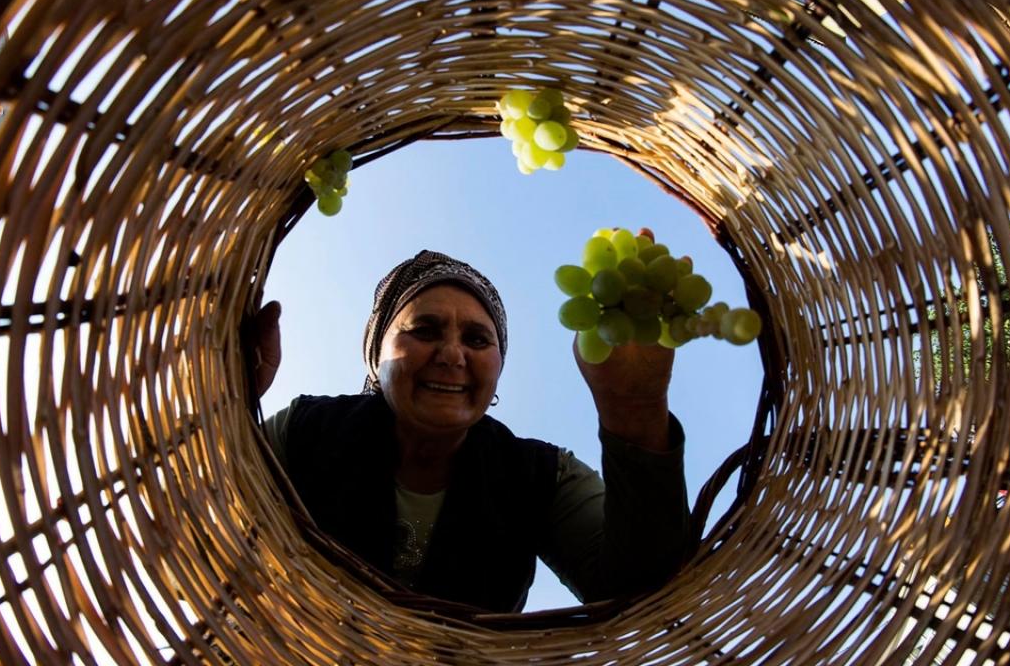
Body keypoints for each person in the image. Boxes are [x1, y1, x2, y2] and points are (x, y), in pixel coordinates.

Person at [245, 247, 689, 613]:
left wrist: (634, 408)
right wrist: (231, 400)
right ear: (377, 356)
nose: (452, 356)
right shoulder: (306, 429)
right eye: (425, 330)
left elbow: (640, 591)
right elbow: (215, 518)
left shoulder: (543, 475)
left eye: (477, 340)